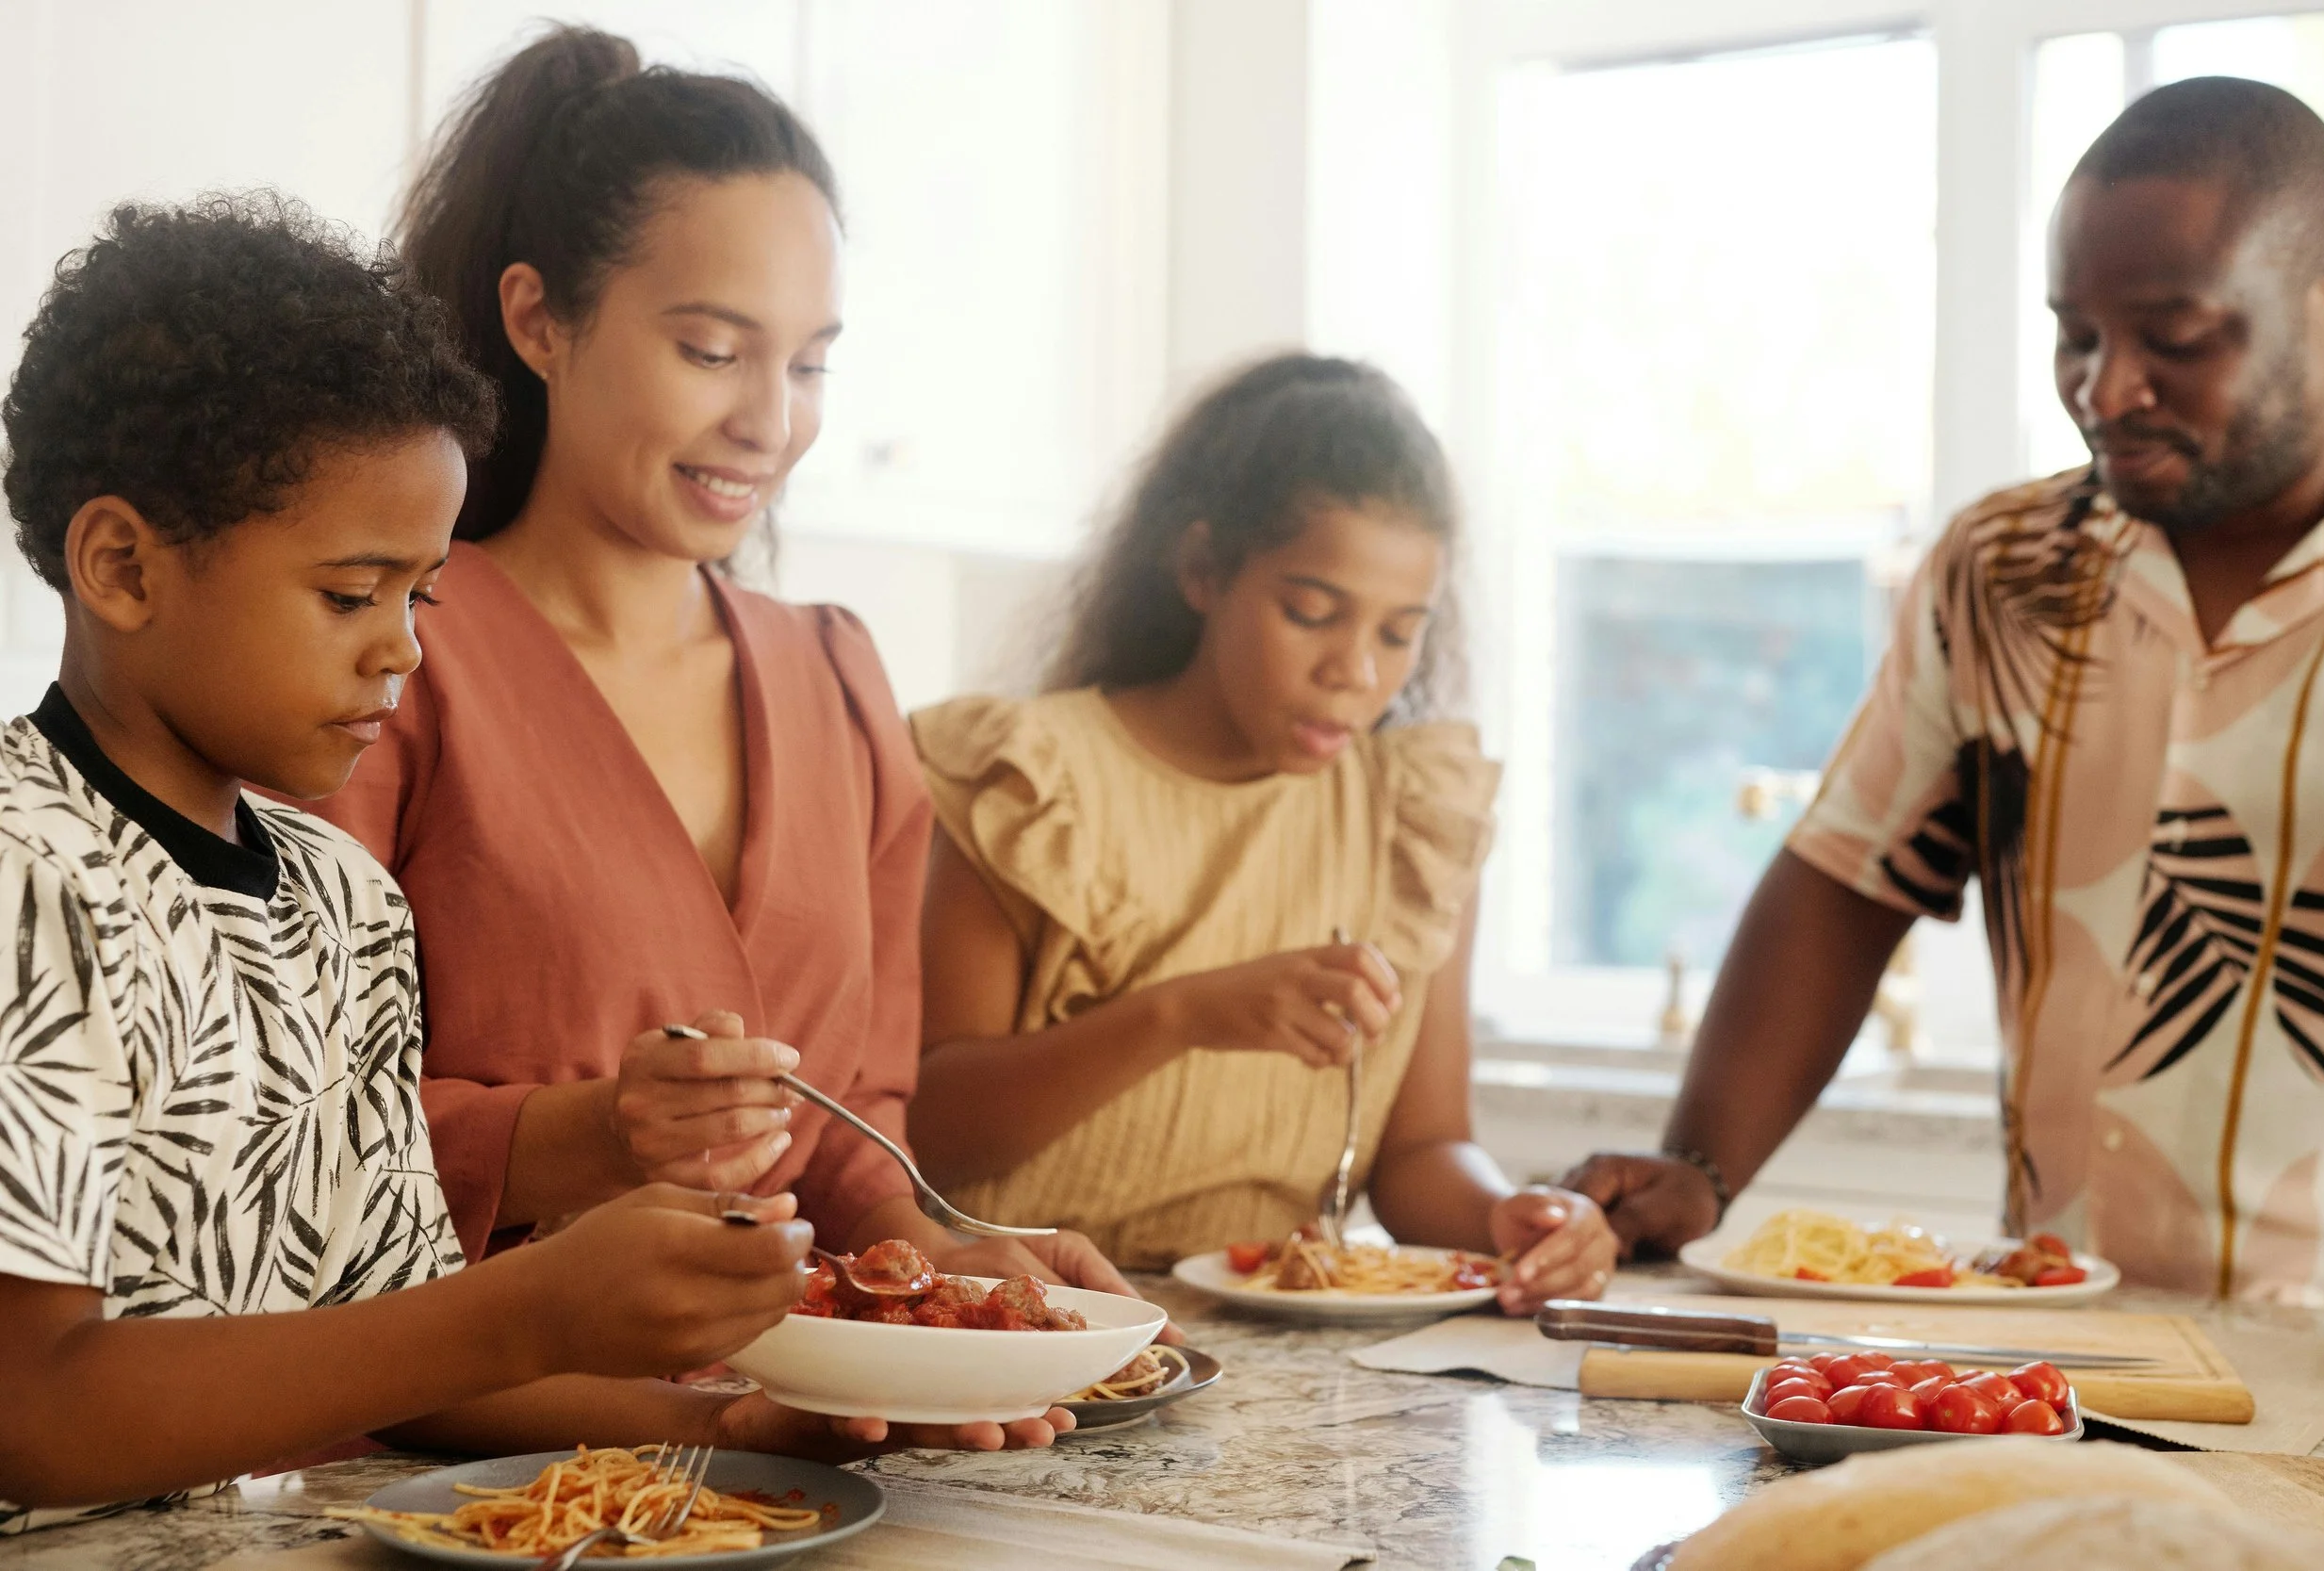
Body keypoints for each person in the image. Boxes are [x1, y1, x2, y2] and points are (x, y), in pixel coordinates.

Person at [0, 198, 1064, 1533]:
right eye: (349, 593)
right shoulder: (24, 873)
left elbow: (397, 1351)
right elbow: (32, 1408)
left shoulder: (343, 906)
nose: (400, 647)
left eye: (421, 595)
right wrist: (528, 1303)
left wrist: (733, 1418)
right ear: (119, 564)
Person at [300, 26, 1128, 1295]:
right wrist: (573, 1137)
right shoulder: (394, 655)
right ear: (540, 320)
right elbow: (287, 1121)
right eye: (711, 351)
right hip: (475, 1451)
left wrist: (948, 1249)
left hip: (783, 1429)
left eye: (808, 363)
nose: (770, 419)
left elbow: (854, 1121)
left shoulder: (838, 681)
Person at [1563, 77, 2324, 1332]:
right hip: (2053, 1346)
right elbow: (1847, 874)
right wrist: (1702, 1169)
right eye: (2077, 335)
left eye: (2176, 337)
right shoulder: (2001, 569)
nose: (2108, 387)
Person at [908, 354, 1619, 1316]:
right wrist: (1182, 1014)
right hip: (1025, 1322)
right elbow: (934, 1129)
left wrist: (1508, 1214)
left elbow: (1419, 1150)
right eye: (1311, 612)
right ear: (1203, 569)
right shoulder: (1033, 780)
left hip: (1281, 1342)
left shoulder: (1412, 813)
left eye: (1400, 632)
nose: (1355, 671)